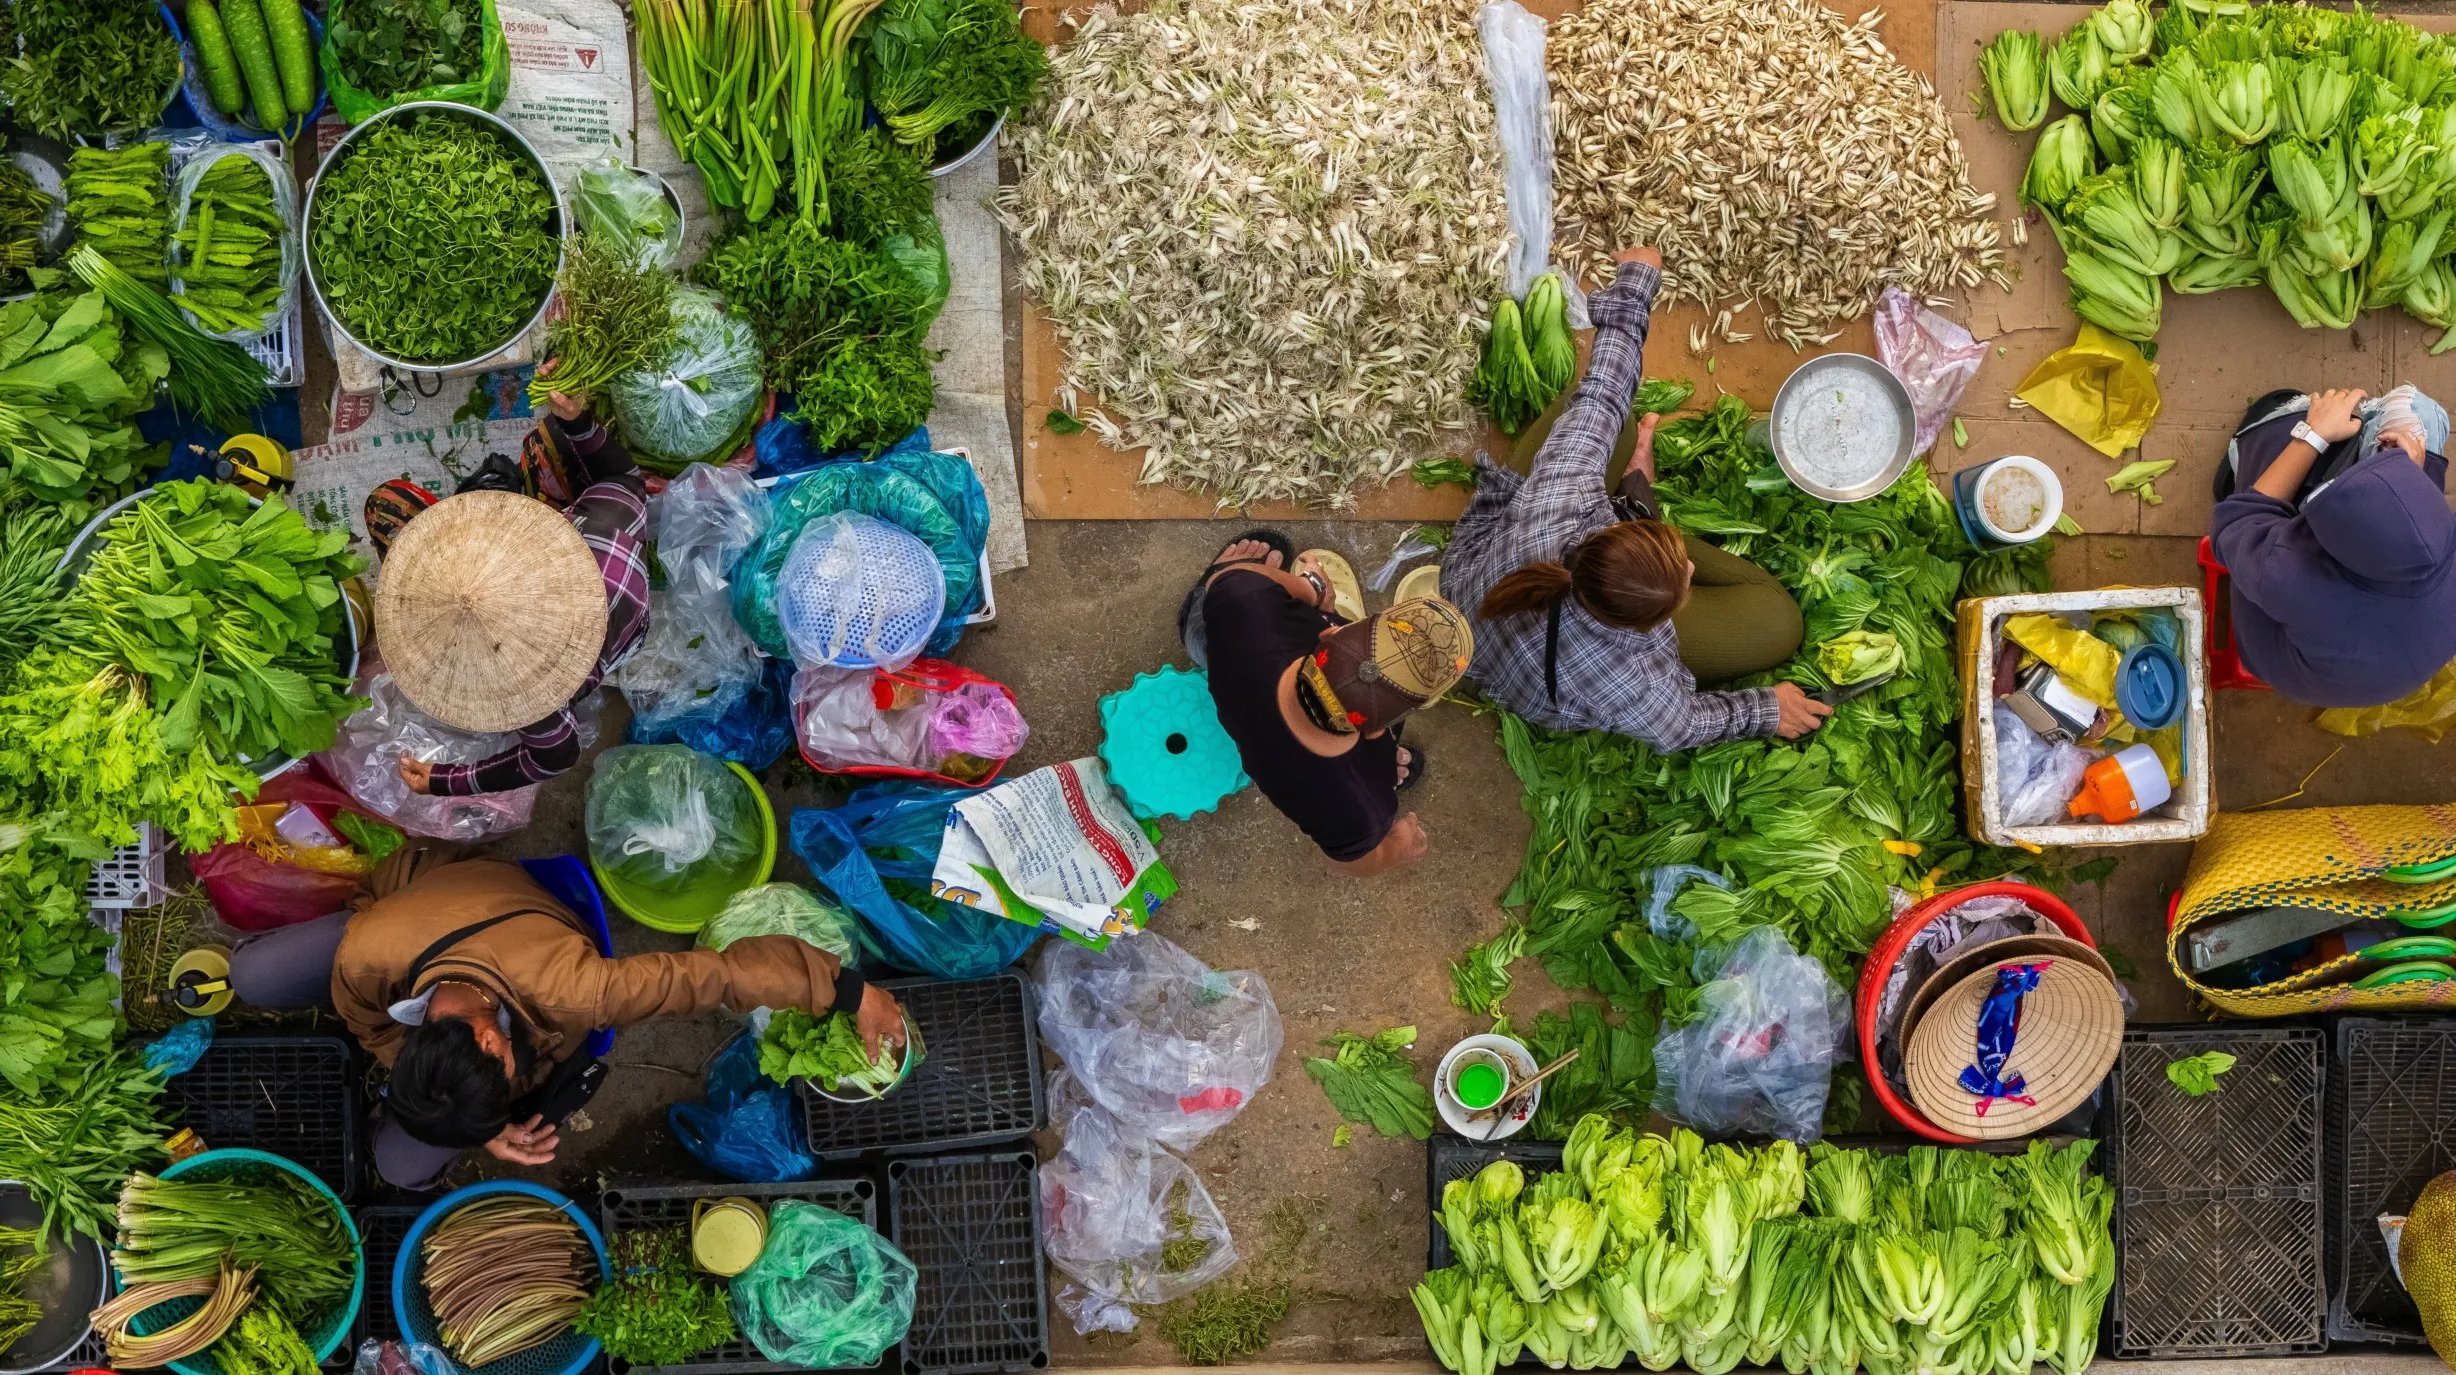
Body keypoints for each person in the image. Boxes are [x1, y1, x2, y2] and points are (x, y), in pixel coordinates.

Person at [227, 843, 905, 1190]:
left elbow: (717, 974)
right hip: (411, 909)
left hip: (503, 908)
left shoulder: (580, 991)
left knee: (398, 1164)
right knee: (250, 975)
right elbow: (373, 1028)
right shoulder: (366, 962)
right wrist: (483, 1127)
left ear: (490, 1037)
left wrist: (849, 990)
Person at [1442, 247, 1832, 751]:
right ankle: (1639, 493)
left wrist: (1637, 281)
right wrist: (1765, 710)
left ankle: (1632, 476)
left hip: (1469, 595)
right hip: (1526, 674)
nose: (1689, 573)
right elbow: (1684, 725)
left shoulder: (1562, 497)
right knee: (1779, 623)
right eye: (1682, 585)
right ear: (1648, 628)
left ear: (1607, 533)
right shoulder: (1634, 678)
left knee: (1613, 422)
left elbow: (1604, 392)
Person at [366, 374, 646, 795]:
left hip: (611, 629)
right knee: (547, 439)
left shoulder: (535, 698)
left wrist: (447, 781)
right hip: (612, 610)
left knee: (388, 506)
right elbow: (625, 477)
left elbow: (558, 755)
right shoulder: (607, 525)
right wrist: (579, 423)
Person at [1186, 534, 1473, 875]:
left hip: (1238, 668)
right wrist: (1398, 846)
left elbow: (1228, 578)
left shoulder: (1246, 601)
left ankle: (1194, 636)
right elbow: (1352, 864)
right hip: (1334, 773)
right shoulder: (1361, 812)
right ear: (1382, 727)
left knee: (1207, 630)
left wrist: (1313, 591)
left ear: (1328, 636)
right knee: (1385, 772)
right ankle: (1388, 763)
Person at [2212, 384, 2456, 708]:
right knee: (2421, 416)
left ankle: (2244, 451)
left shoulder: (2293, 574)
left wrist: (2313, 433)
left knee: (2287, 424)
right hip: (2376, 673)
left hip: (2278, 658)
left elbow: (2233, 524)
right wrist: (2409, 470)